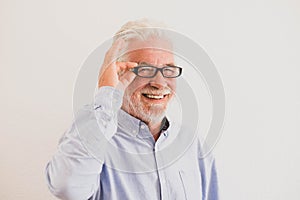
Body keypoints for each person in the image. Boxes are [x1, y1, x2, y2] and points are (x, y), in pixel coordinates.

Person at [45, 18, 219, 200]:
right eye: (145, 69)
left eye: (168, 70)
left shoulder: (191, 143)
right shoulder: (94, 139)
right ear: (118, 72)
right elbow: (66, 188)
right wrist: (107, 93)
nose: (159, 84)